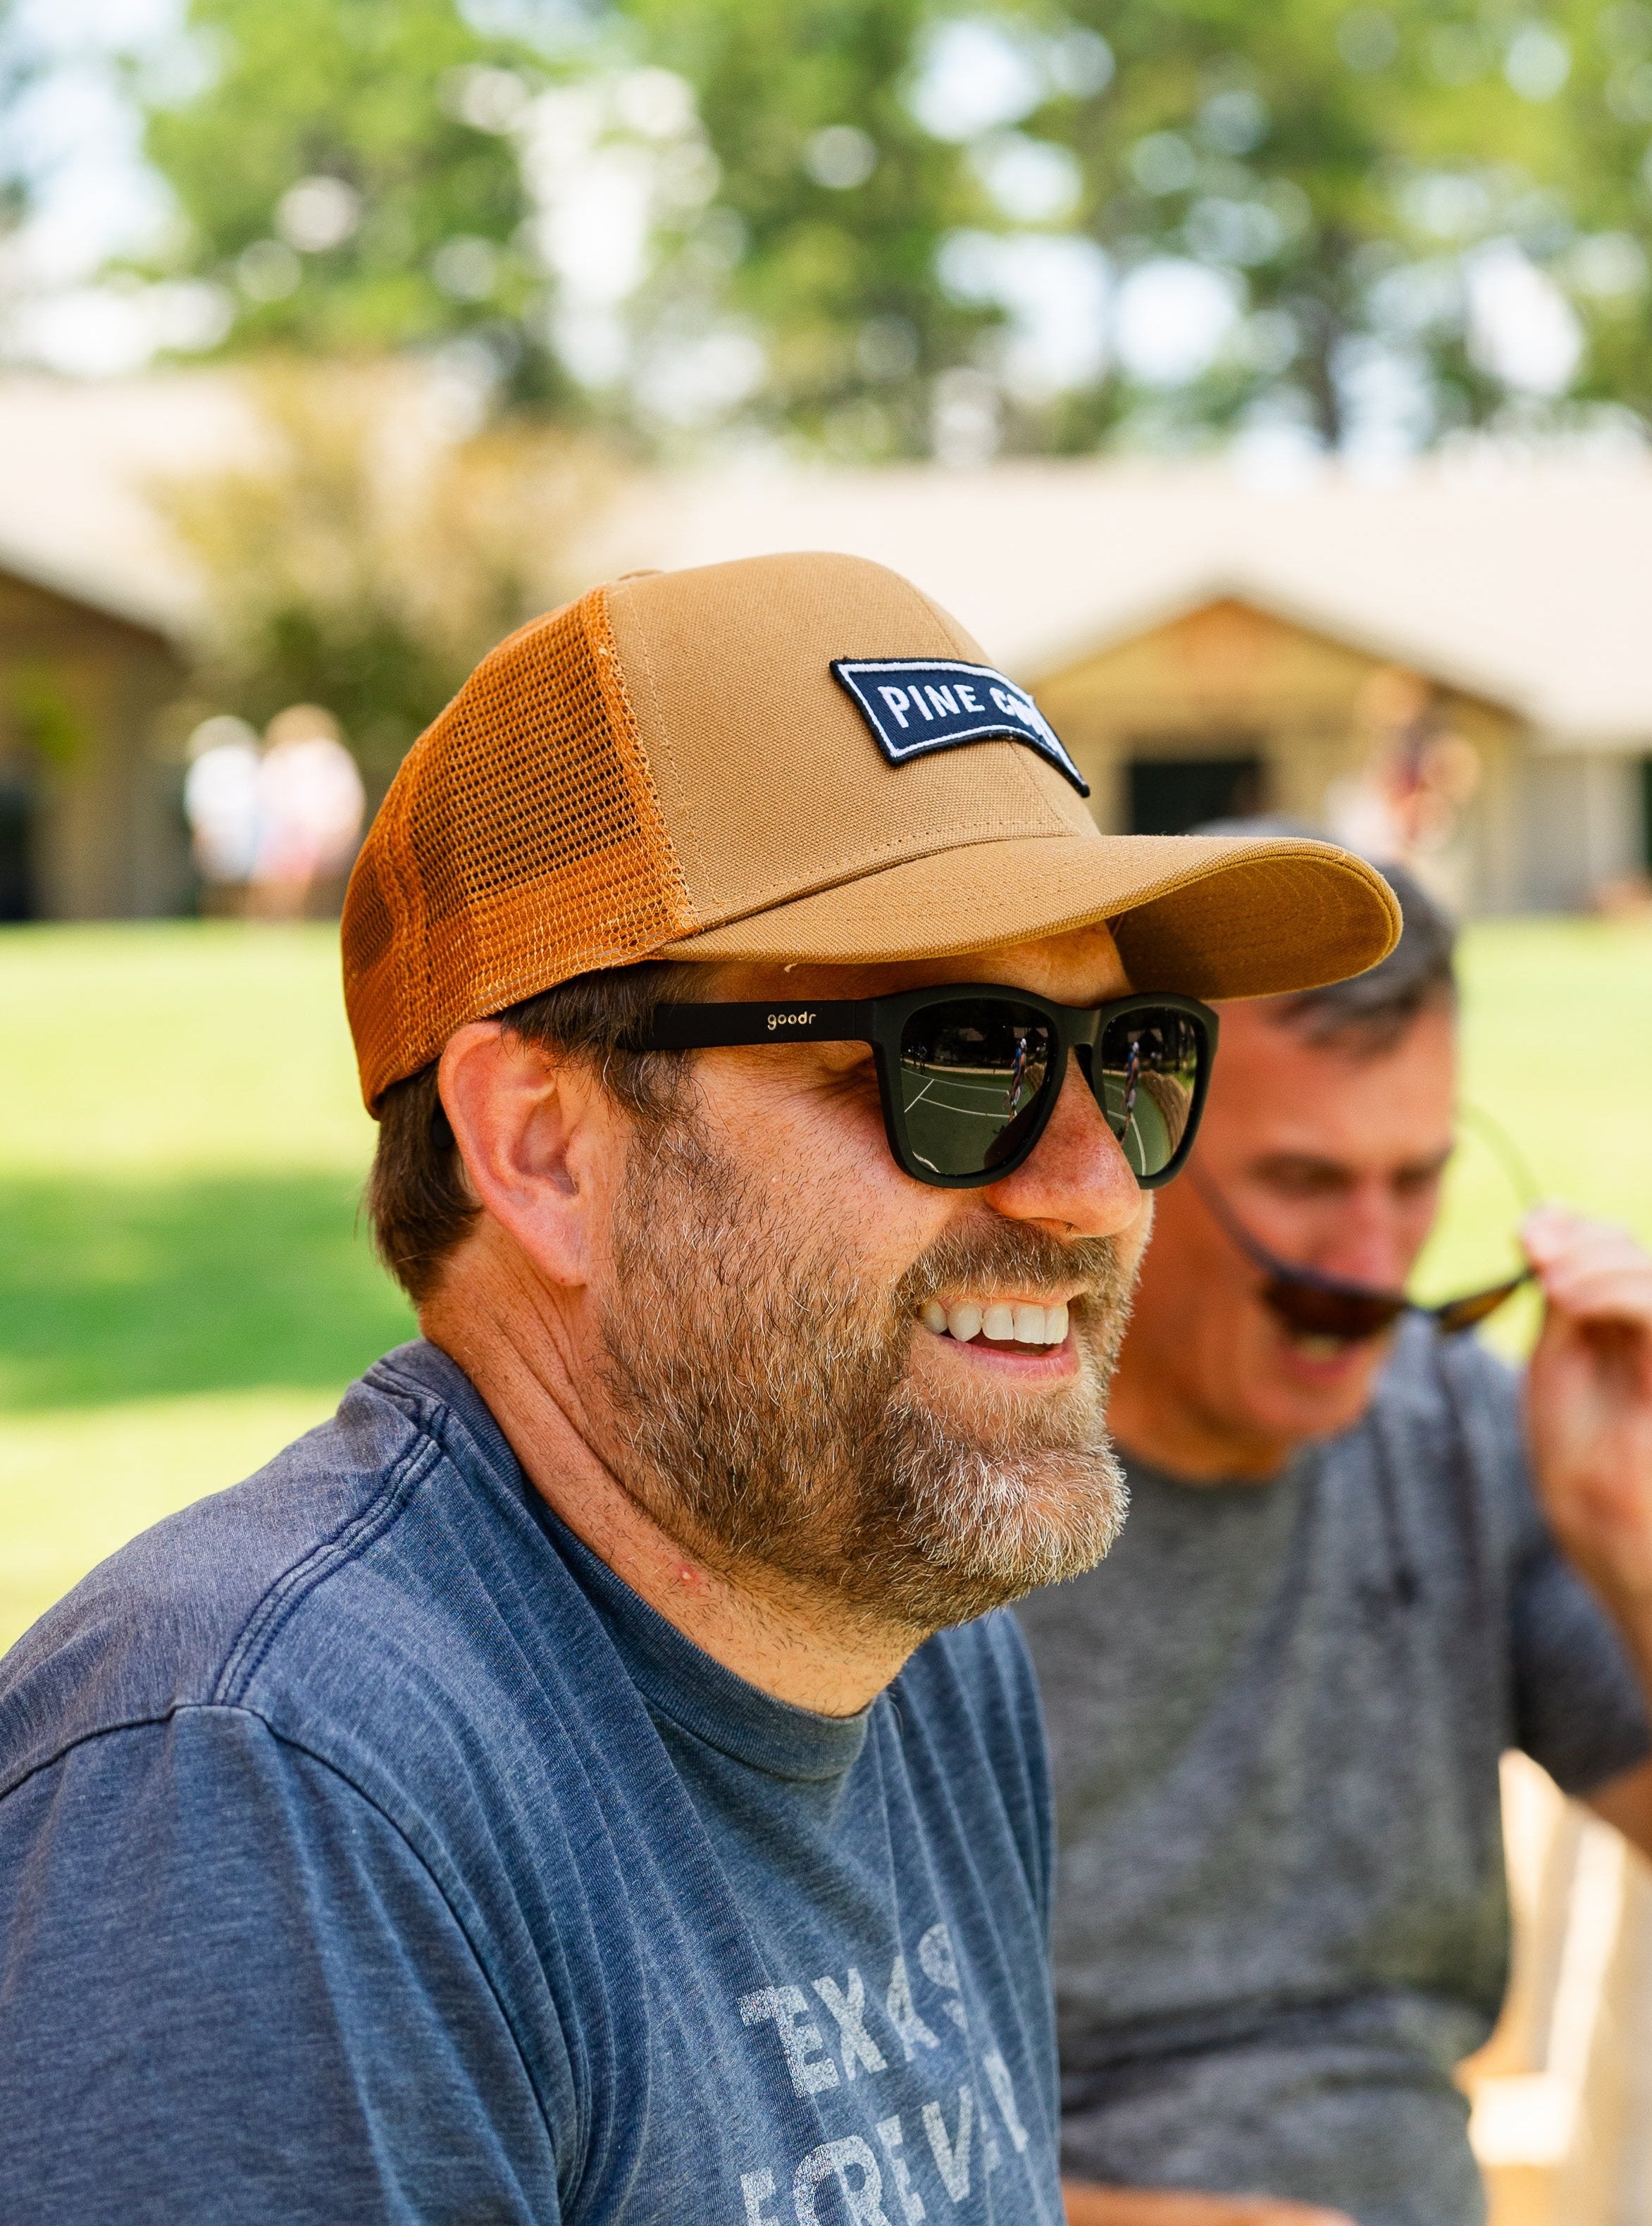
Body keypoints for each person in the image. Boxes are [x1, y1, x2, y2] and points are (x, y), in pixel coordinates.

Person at [0, 559, 1398, 2225]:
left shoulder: (925, 1662)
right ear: (541, 1144)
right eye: (955, 1056)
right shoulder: (271, 1789)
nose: (1091, 1182)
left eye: (1137, 1051)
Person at [1013, 841, 1652, 2226]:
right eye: (1306, 1181)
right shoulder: (956, 1488)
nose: (1374, 1262)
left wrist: (1637, 1551)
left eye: (1414, 1179)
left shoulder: (1461, 1436)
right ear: (1133, 1142)